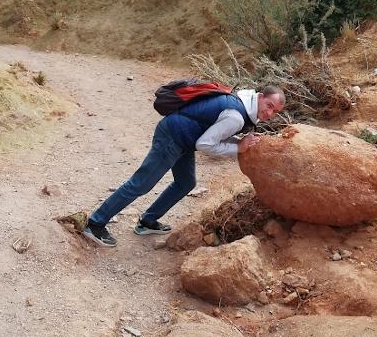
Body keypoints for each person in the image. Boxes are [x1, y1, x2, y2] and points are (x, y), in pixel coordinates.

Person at [83, 85, 286, 247]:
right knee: (141, 184)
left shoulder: (241, 104)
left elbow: (215, 133)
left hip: (183, 138)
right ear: (260, 96)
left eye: (275, 112)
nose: (270, 113)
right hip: (173, 136)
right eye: (269, 105)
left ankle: (147, 221)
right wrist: (238, 148)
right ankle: (95, 223)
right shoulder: (236, 115)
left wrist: (240, 142)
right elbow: (205, 144)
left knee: (185, 183)